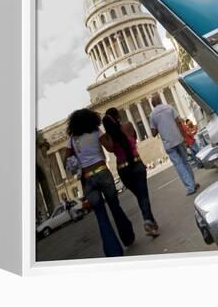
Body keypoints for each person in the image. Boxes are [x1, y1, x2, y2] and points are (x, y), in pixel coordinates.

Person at [65, 108, 135, 257]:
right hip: (103, 171)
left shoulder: (72, 139)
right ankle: (127, 237)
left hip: (87, 178)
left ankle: (113, 252)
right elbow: (110, 148)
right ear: (91, 119)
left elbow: (67, 158)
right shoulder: (96, 131)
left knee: (101, 216)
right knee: (115, 207)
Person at [102, 108, 159, 238]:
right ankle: (148, 220)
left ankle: (151, 221)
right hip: (136, 163)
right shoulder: (128, 126)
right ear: (118, 117)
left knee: (140, 196)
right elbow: (134, 138)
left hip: (122, 169)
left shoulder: (109, 137)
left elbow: (110, 149)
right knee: (143, 195)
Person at [149, 93, 200, 196]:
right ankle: (193, 183)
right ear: (160, 101)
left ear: (153, 104)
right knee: (185, 162)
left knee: (179, 165)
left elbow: (154, 133)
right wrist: (183, 136)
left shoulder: (152, 115)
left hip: (168, 143)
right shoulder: (169, 108)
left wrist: (160, 126)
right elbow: (179, 122)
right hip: (178, 138)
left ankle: (190, 187)